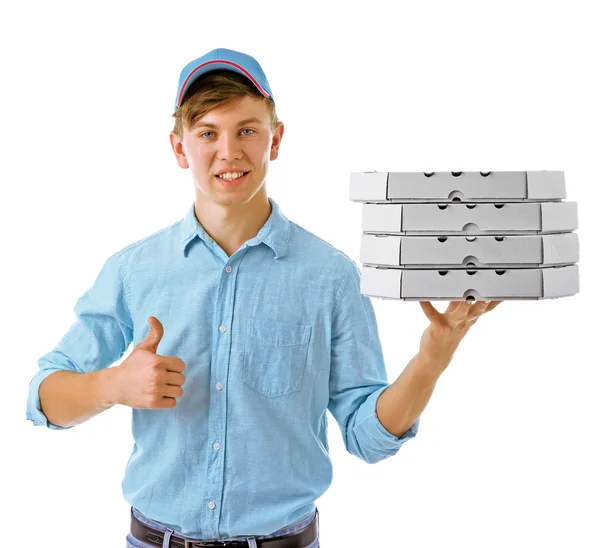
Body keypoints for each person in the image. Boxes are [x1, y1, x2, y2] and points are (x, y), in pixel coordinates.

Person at [26, 47, 501, 548]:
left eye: (247, 130)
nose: (229, 151)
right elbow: (43, 397)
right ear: (179, 148)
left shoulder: (332, 276)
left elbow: (367, 436)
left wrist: (431, 358)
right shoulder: (133, 270)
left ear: (275, 140)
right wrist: (112, 385)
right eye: (208, 132)